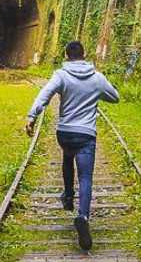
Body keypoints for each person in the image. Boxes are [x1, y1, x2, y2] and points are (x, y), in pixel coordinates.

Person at [25, 41, 119, 251]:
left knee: (68, 157)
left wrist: (32, 116)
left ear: (66, 56)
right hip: (86, 134)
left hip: (65, 133)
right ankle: (83, 216)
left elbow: (45, 94)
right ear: (84, 55)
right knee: (86, 177)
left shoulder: (61, 75)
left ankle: (68, 196)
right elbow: (115, 97)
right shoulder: (96, 78)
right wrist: (97, 92)